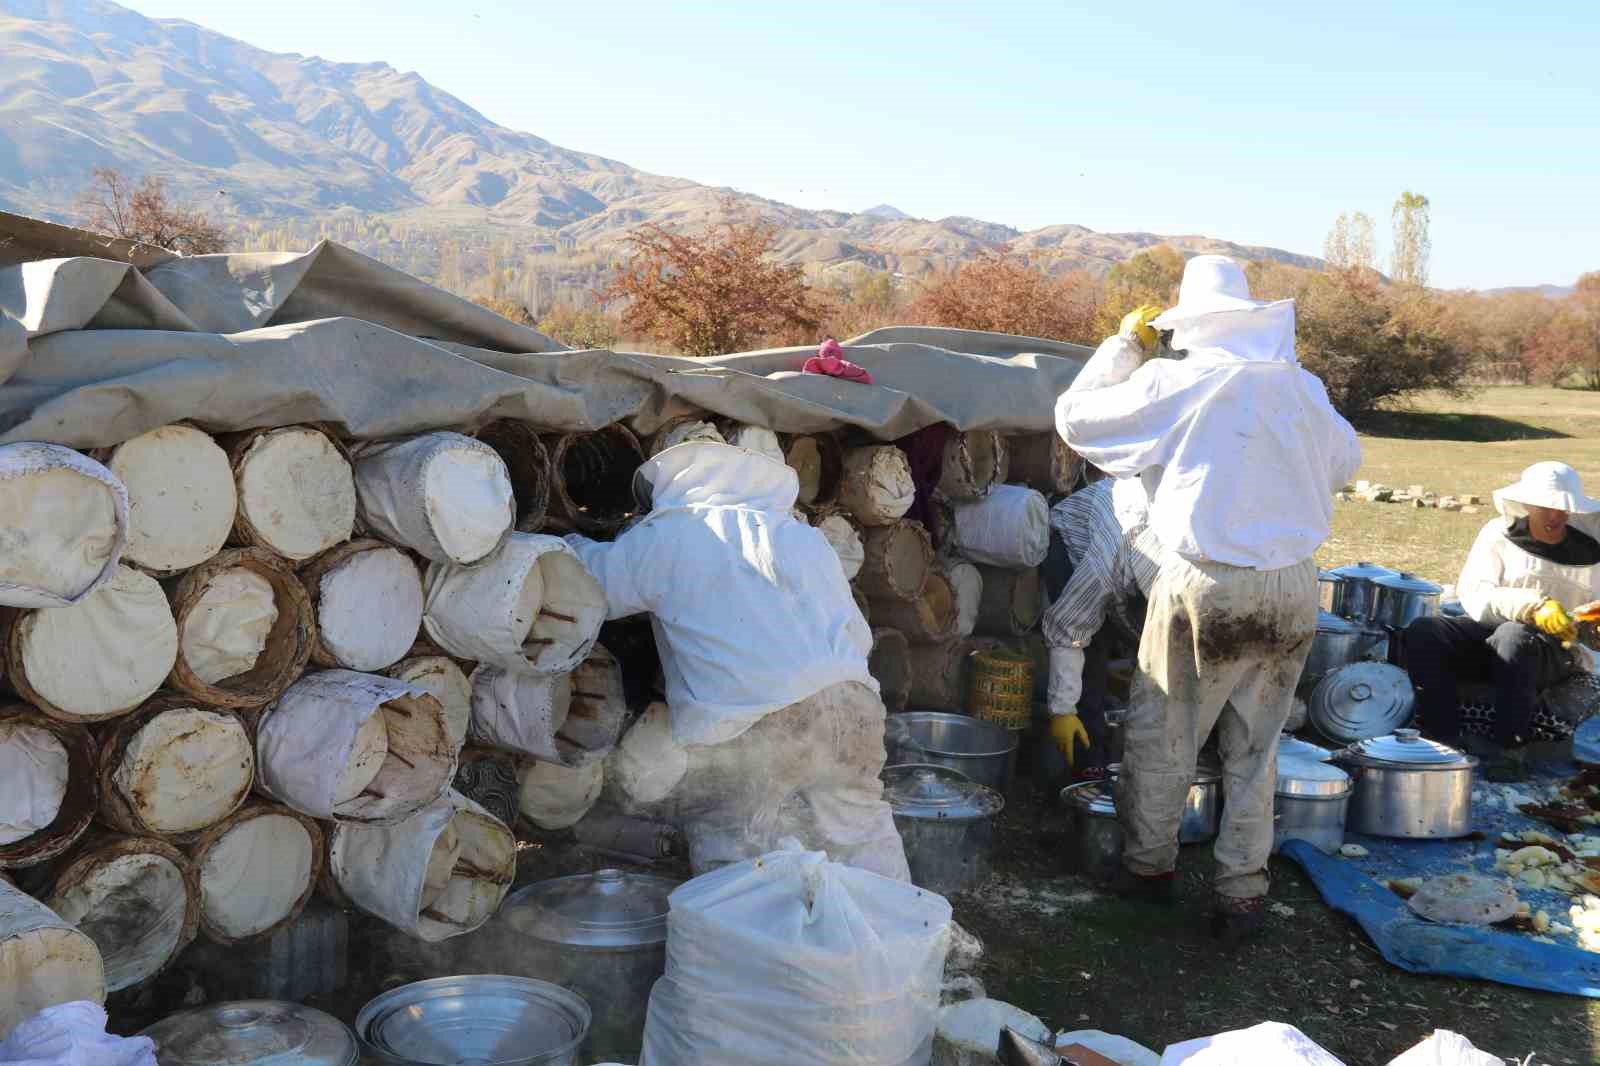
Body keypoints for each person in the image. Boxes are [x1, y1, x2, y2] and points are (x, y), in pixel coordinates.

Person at [1055, 255, 1362, 945]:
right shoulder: (1302, 388)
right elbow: (1346, 463)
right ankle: (1242, 892)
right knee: (1257, 745)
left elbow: (1077, 421)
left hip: (1206, 580)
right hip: (1292, 582)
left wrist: (1124, 346)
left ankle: (1148, 870)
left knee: (1167, 731)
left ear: (1187, 322)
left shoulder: (1177, 378)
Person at [565, 439, 910, 881]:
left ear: (675, 486)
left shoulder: (675, 531)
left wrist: (569, 542)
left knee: (732, 844)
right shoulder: (803, 537)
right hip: (853, 705)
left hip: (758, 719)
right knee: (863, 830)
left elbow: (598, 587)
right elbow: (856, 635)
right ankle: (907, 932)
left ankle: (743, 943)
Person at [1404, 461, 1600, 780]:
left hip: (1555, 653)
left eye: (1562, 508)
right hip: (1493, 635)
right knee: (1425, 630)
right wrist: (1533, 606)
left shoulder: (1592, 550)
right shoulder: (1497, 534)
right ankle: (1440, 739)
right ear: (1526, 503)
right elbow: (1476, 593)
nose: (1554, 516)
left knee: (1514, 635)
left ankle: (1510, 749)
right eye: (1546, 507)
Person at [1041, 474, 1163, 778]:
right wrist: (1062, 709)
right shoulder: (1107, 564)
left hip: (1128, 558)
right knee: (1091, 664)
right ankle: (1086, 769)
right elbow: (1069, 630)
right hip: (1074, 544)